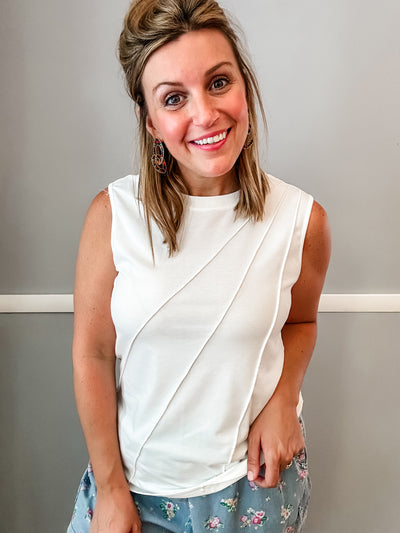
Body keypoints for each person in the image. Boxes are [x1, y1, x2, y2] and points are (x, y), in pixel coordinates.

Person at [67, 0, 330, 531]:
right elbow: (92, 355)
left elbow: (300, 322)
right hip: (133, 490)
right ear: (150, 122)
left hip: (252, 491)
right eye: (173, 98)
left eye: (218, 83)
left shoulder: (302, 221)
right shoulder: (113, 215)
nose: (205, 115)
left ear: (245, 90)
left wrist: (282, 401)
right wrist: (112, 489)